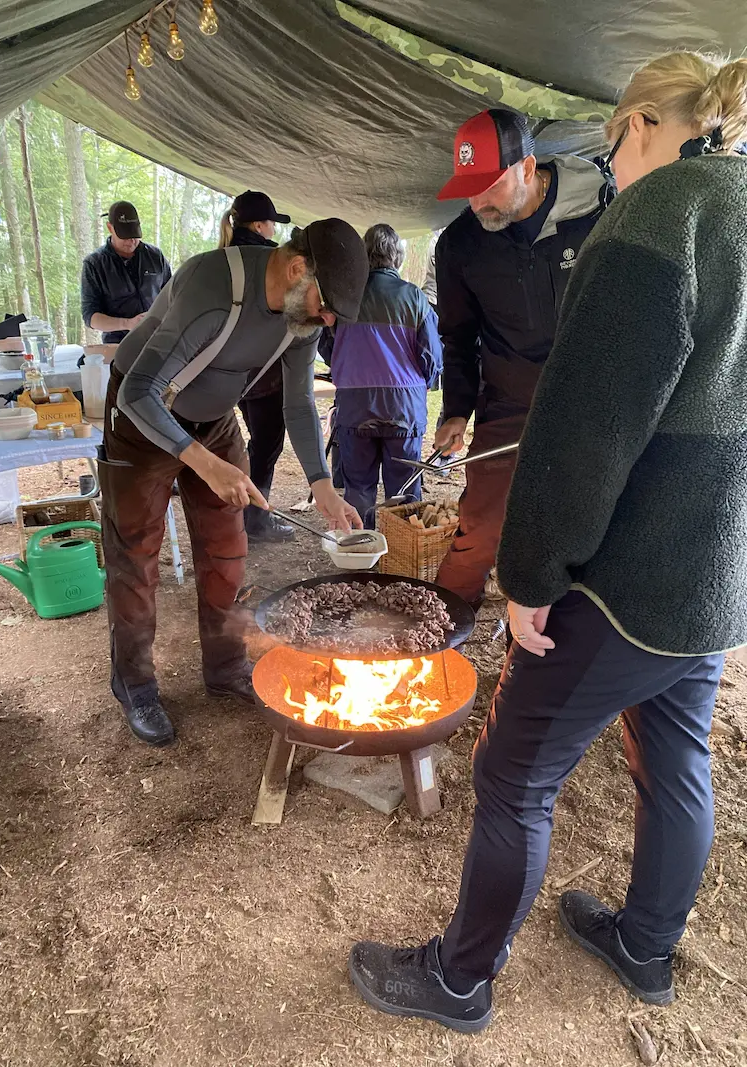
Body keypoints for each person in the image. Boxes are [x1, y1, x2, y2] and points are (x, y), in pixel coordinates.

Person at [348, 50, 747, 1032]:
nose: (610, 166)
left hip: (626, 578)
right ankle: (643, 944)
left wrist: (529, 573)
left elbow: (587, 429)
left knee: (511, 773)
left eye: (614, 142)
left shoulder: (656, 219)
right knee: (675, 750)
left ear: (647, 126)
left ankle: (456, 978)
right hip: (712, 573)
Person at [101, 219, 368, 746]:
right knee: (136, 556)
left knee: (227, 550)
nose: (329, 317)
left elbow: (297, 401)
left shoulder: (300, 318)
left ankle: (224, 668)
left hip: (216, 421)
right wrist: (201, 462)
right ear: (296, 269)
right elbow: (138, 391)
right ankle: (133, 682)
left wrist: (322, 484)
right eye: (327, 303)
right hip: (142, 418)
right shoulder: (212, 288)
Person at [433, 109, 607, 608]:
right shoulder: (460, 245)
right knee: (482, 526)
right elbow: (458, 337)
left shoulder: (599, 213)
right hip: (509, 403)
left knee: (580, 530)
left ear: (527, 168)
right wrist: (456, 411)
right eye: (468, 187)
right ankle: (440, 638)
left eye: (488, 185)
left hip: (590, 404)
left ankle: (547, 642)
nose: (477, 201)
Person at [326, 224, 442, 525]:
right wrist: (420, 386)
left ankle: (361, 554)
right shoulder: (414, 298)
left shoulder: (345, 298)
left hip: (354, 406)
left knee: (359, 487)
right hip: (404, 408)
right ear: (398, 258)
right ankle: (401, 556)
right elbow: (432, 357)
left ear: (364, 257)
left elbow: (329, 348)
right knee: (404, 491)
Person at [219, 190, 297, 544]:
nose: (271, 232)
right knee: (266, 445)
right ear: (260, 225)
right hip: (266, 372)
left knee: (257, 443)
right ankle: (255, 520)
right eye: (270, 225)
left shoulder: (223, 258)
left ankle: (247, 512)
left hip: (235, 371)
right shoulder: (271, 260)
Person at [81, 201, 171, 344]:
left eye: (135, 235)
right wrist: (128, 324)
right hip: (118, 345)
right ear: (110, 228)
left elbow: (172, 296)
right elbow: (90, 316)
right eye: (125, 236)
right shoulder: (94, 264)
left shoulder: (155, 256)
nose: (131, 241)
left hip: (159, 340)